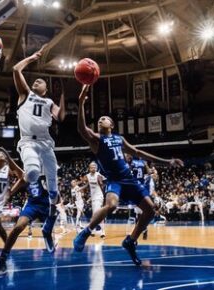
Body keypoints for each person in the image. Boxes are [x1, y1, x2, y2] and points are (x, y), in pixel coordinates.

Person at [73, 85, 183, 265]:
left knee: (150, 209)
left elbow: (138, 152)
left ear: (112, 125)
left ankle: (130, 241)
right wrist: (80, 102)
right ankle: (85, 232)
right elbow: (81, 129)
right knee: (112, 205)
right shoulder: (97, 139)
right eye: (100, 119)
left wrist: (166, 161)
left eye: (105, 118)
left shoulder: (119, 138)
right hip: (114, 180)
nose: (101, 119)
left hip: (129, 179)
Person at [12, 44, 65, 208]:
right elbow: (15, 70)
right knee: (33, 171)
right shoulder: (25, 95)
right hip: (27, 141)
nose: (37, 80)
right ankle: (37, 193)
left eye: (41, 81)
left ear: (45, 89)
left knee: (52, 177)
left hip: (45, 142)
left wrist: (64, 96)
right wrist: (32, 58)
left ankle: (53, 197)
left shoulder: (49, 102)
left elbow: (60, 116)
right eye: (35, 80)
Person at [0, 175, 56, 276]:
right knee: (18, 227)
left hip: (47, 205)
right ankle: (2, 260)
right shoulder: (26, 174)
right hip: (32, 205)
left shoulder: (48, 169)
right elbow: (10, 192)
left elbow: (56, 191)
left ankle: (47, 232)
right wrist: (5, 198)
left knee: (55, 213)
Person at [84, 162, 106, 238]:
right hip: (93, 197)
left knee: (96, 214)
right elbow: (86, 185)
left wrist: (101, 184)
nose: (93, 168)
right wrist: (80, 188)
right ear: (89, 168)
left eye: (94, 166)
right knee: (97, 214)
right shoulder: (87, 176)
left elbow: (102, 185)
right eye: (91, 167)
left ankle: (93, 230)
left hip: (99, 196)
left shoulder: (98, 175)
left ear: (96, 168)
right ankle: (102, 231)